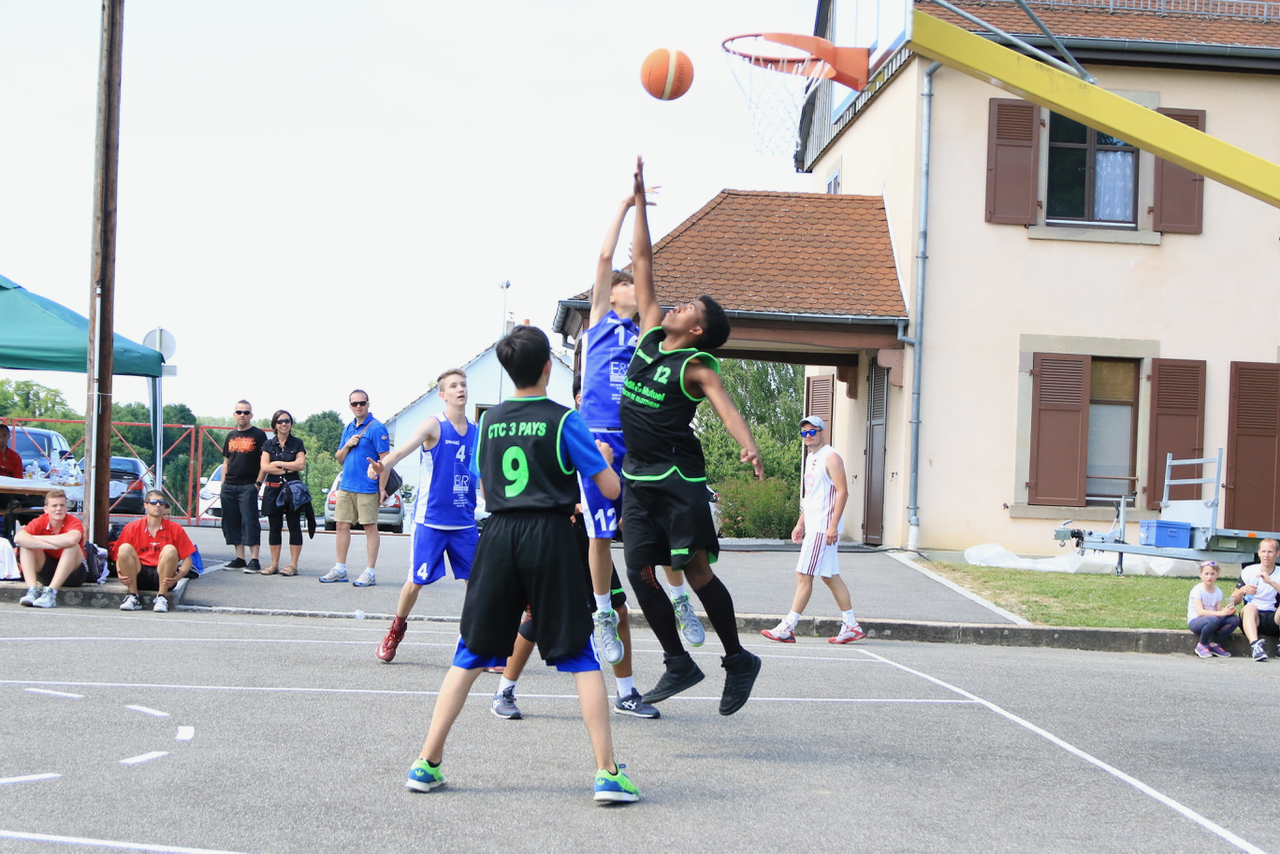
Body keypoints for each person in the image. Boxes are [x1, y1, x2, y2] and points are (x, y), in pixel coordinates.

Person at [405, 325, 638, 804]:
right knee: (581, 656)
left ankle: (427, 762)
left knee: (469, 653)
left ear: (507, 370)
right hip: (550, 536)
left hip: (498, 534)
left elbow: (484, 481)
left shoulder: (487, 423)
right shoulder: (565, 420)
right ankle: (608, 773)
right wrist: (605, 458)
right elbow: (610, 489)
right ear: (549, 368)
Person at [620, 157, 764, 716]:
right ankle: (678, 662)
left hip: (677, 479)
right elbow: (642, 261)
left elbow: (726, 408)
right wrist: (638, 204)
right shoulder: (650, 333)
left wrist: (748, 443)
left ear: (697, 329)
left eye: (688, 308)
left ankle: (738, 659)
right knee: (640, 573)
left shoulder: (696, 365)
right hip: (637, 477)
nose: (676, 306)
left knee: (697, 571)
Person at [579, 191, 705, 667]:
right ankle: (602, 613)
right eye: (628, 284)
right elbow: (606, 257)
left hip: (637, 438)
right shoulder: (597, 323)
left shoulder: (647, 338)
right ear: (613, 294)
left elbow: (644, 264)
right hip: (597, 437)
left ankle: (680, 600)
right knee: (599, 534)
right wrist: (626, 206)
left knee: (655, 531)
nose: (637, 288)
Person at [491, 506, 660, 721]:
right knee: (537, 618)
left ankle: (626, 694)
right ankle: (503, 692)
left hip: (592, 537)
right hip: (556, 535)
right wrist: (564, 505)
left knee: (618, 611)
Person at [368, 369, 477, 663]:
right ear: (443, 394)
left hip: (464, 523)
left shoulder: (476, 431)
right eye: (453, 386)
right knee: (415, 582)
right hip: (431, 522)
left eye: (463, 384)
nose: (460, 389)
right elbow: (400, 452)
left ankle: (473, 642)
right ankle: (395, 631)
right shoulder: (433, 425)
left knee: (476, 586)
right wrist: (382, 466)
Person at [761, 415, 864, 645]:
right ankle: (851, 625)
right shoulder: (810, 458)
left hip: (822, 528)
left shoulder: (831, 457)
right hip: (814, 525)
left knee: (803, 575)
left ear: (822, 433)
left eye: (812, 432)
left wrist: (832, 525)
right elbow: (812, 496)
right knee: (829, 576)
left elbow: (843, 492)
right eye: (804, 433)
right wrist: (800, 523)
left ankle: (788, 627)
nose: (808, 436)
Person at [321, 390, 390, 587]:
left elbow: (385, 461)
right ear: (350, 406)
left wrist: (382, 488)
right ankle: (340, 569)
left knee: (369, 527)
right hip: (346, 486)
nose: (358, 406)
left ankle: (370, 572)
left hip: (367, 487)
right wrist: (348, 445)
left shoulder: (377, 428)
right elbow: (339, 458)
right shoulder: (348, 428)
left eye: (362, 403)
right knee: (341, 525)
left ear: (368, 404)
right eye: (354, 403)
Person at [113, 490, 196, 613]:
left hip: (163, 576)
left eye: (161, 502)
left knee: (170, 549)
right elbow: (118, 556)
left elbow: (187, 560)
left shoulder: (176, 528)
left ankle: (162, 597)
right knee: (124, 548)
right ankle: (133, 596)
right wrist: (120, 573)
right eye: (153, 502)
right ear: (146, 505)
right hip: (138, 574)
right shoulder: (132, 527)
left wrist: (178, 577)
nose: (158, 505)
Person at [14, 488, 86, 609]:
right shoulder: (40, 520)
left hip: (74, 574)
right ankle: (32, 591)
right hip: (47, 570)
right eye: (54, 506)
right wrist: (51, 545)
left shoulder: (73, 521)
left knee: (72, 546)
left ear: (66, 508)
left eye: (62, 505)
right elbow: (18, 538)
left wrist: (35, 538)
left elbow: (72, 539)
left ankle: (50, 594)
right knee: (26, 546)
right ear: (46, 509)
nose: (58, 509)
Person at [220, 400, 267, 573]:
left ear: (251, 415)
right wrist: (223, 484)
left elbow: (264, 462)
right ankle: (240, 558)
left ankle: (254, 560)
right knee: (232, 522)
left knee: (250, 521)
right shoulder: (231, 436)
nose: (242, 415)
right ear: (234, 415)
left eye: (246, 412)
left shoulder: (259, 435)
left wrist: (258, 484)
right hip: (229, 486)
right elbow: (226, 461)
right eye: (239, 412)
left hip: (248, 485)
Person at [259, 410, 307, 576]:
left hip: (292, 490)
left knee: (294, 526)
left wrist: (279, 463)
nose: (284, 424)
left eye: (287, 421)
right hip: (273, 489)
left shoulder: (297, 443)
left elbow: (301, 465)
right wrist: (289, 467)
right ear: (275, 425)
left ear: (291, 424)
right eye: (280, 421)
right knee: (274, 527)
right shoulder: (268, 444)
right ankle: (274, 564)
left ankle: (293, 565)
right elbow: (265, 466)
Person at [1231, 538, 1280, 661]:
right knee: (1249, 607)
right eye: (1263, 551)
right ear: (1259, 553)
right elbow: (1233, 601)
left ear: (1277, 554)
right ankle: (1255, 646)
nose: (1266, 555)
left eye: (1270, 552)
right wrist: (1242, 591)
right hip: (1252, 618)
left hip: (1273, 618)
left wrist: (1271, 582)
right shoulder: (1249, 571)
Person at [1186, 560, 1238, 658]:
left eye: (1212, 574)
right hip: (1196, 621)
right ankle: (1202, 645)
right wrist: (1221, 613)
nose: (1209, 577)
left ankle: (1214, 644)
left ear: (1217, 575)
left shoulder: (1218, 592)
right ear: (1201, 575)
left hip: (1212, 620)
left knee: (1235, 619)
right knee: (1212, 619)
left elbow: (1218, 612)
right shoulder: (1197, 590)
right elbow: (1200, 612)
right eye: (1206, 574)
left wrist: (1227, 612)